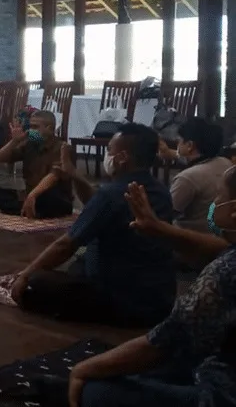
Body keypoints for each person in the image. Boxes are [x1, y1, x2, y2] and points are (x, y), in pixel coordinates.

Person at [67, 167, 236, 407]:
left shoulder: (225, 271)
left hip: (222, 393)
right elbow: (221, 248)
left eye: (219, 197)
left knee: (95, 392)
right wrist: (158, 228)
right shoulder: (159, 191)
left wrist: (83, 370)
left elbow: (167, 340)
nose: (214, 203)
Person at [10, 123, 176, 328]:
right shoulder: (160, 190)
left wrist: (25, 275)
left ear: (122, 158)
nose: (107, 156)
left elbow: (66, 245)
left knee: (36, 285)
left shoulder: (112, 193)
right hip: (160, 296)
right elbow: (97, 204)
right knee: (80, 262)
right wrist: (73, 174)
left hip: (124, 299)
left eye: (109, 151)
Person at [0, 110, 74, 218]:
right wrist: (14, 141)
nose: (30, 131)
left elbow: (54, 176)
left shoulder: (63, 147)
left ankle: (26, 209)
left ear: (50, 129)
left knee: (48, 197)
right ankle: (30, 210)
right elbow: (0, 158)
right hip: (30, 195)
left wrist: (33, 195)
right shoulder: (30, 144)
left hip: (53, 197)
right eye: (30, 126)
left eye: (35, 127)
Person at [155, 117, 232, 234]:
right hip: (218, 236)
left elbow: (164, 216)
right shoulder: (226, 163)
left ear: (190, 145)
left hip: (190, 240)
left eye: (179, 141)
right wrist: (168, 152)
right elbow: (187, 157)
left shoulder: (187, 179)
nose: (177, 145)